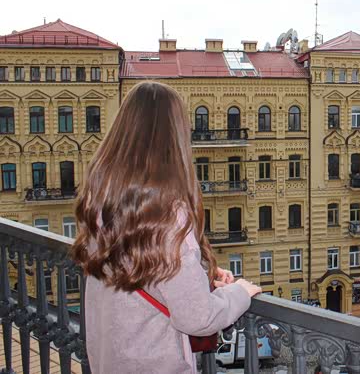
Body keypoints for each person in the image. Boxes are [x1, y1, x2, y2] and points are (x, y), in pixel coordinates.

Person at [71, 82, 262, 374]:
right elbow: (198, 317)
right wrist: (240, 293)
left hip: (110, 360)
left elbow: (141, 263)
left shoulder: (103, 199)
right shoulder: (169, 215)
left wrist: (199, 271)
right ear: (174, 138)